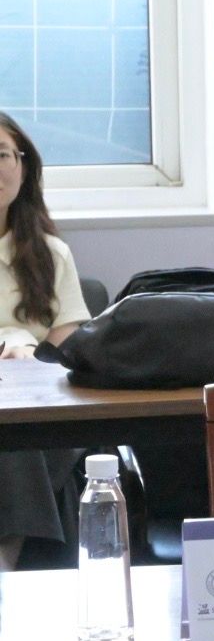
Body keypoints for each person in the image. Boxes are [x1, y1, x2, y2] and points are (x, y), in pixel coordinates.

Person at [0, 112, 91, 570]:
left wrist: (31, 357)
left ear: (22, 166)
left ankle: (6, 563)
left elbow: (68, 345)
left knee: (23, 433)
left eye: (1, 155)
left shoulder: (51, 254)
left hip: (37, 410)